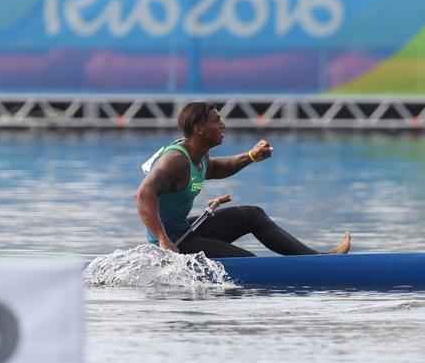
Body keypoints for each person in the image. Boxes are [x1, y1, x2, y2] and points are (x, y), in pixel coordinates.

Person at [136, 102, 351, 258]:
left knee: (252, 215)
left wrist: (250, 157)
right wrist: (163, 239)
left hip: (183, 229)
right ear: (199, 128)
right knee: (247, 261)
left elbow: (217, 167)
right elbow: (143, 194)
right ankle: (311, 264)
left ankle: (315, 260)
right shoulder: (175, 160)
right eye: (216, 121)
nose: (223, 125)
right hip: (173, 243)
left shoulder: (198, 155)